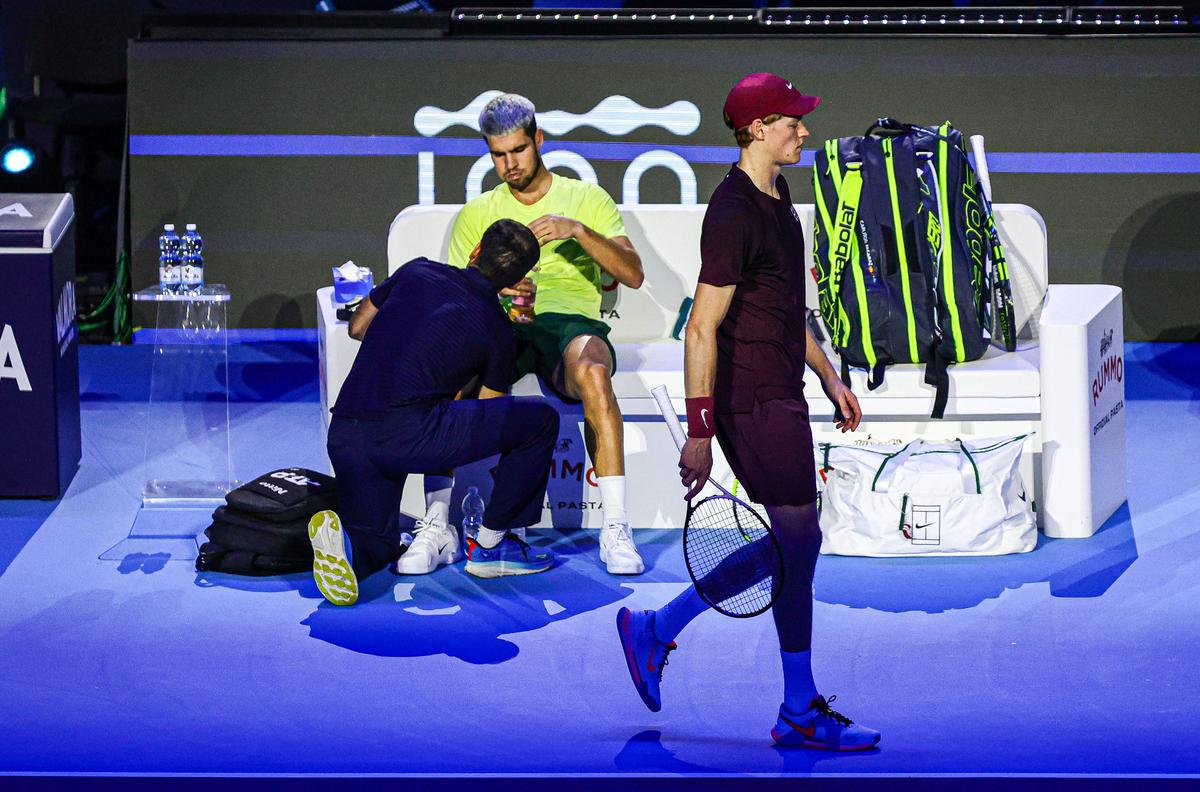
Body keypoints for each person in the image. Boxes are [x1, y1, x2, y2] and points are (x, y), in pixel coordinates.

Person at [615, 74, 880, 751]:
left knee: (799, 540)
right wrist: (700, 432)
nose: (806, 130)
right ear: (758, 127)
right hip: (747, 399)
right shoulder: (732, 212)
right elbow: (702, 328)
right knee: (800, 539)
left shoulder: (778, 193)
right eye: (794, 119)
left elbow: (784, 308)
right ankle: (798, 709)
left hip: (781, 390)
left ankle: (659, 627)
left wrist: (827, 377)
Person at [439, 93, 647, 577]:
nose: (509, 164)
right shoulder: (478, 212)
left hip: (569, 325)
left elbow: (633, 274)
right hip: (501, 326)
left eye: (518, 150)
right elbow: (454, 297)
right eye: (498, 155)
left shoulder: (586, 199)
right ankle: (436, 523)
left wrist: (576, 231)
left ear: (538, 140)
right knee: (449, 373)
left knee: (594, 370)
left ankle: (615, 526)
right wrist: (499, 293)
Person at [308, 219, 560, 607]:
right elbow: (487, 413)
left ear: (475, 251)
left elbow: (358, 327)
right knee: (540, 422)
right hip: (410, 437)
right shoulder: (497, 330)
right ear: (517, 281)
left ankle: (350, 550)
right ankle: (493, 545)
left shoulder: (416, 269)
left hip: (346, 433)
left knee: (380, 543)